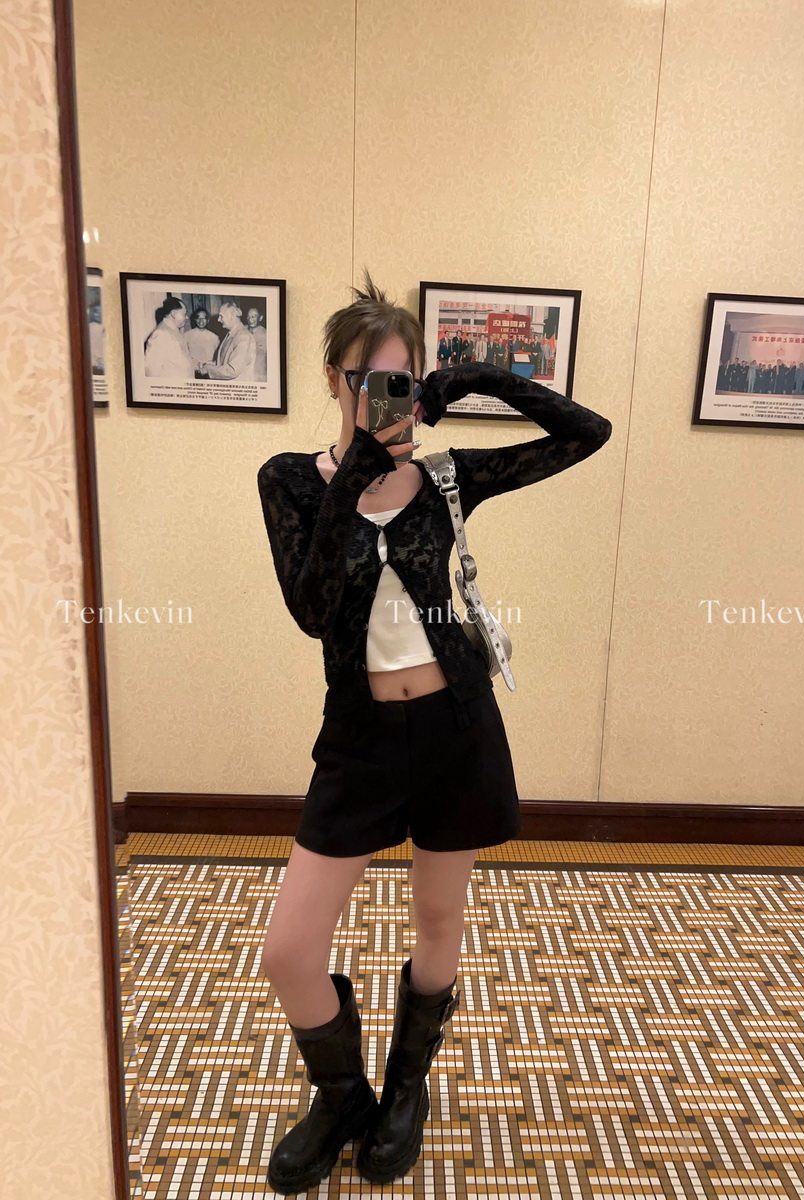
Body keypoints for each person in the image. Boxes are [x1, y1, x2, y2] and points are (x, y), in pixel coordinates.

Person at [256, 268, 612, 1194]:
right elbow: (311, 608)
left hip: (457, 728)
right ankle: (343, 1098)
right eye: (369, 380)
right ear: (333, 380)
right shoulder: (290, 481)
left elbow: (587, 434)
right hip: (359, 740)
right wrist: (357, 472)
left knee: (439, 917)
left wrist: (482, 378)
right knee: (289, 950)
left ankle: (404, 1091)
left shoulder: (449, 477)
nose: (387, 398)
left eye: (403, 381)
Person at [197, 299, 256, 380]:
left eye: (221, 316)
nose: (218, 320)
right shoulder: (230, 334)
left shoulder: (243, 337)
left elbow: (232, 370)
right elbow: (224, 362)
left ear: (232, 316)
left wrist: (208, 369)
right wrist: (208, 364)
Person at [143, 296, 194, 378]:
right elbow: (151, 371)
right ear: (173, 314)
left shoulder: (174, 330)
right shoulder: (161, 334)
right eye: (184, 314)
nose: (187, 317)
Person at [184, 307, 220, 372]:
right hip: (192, 371)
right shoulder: (187, 336)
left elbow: (217, 358)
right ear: (195, 319)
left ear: (207, 320)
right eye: (198, 318)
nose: (201, 321)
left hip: (209, 371)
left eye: (204, 318)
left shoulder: (214, 337)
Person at [247, 306, 268, 381]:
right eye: (248, 316)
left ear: (260, 318)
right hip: (245, 376)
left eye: (254, 316)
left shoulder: (266, 334)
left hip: (259, 376)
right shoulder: (243, 331)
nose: (250, 319)